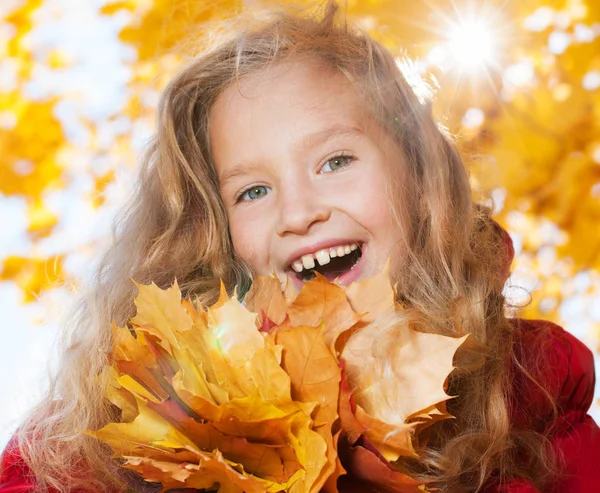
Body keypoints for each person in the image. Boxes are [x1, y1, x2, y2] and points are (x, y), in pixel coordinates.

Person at [1, 1, 598, 492]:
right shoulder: (115, 427)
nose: (298, 212)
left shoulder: (528, 390)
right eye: (253, 191)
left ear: (419, 182)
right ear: (215, 235)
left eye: (335, 161)